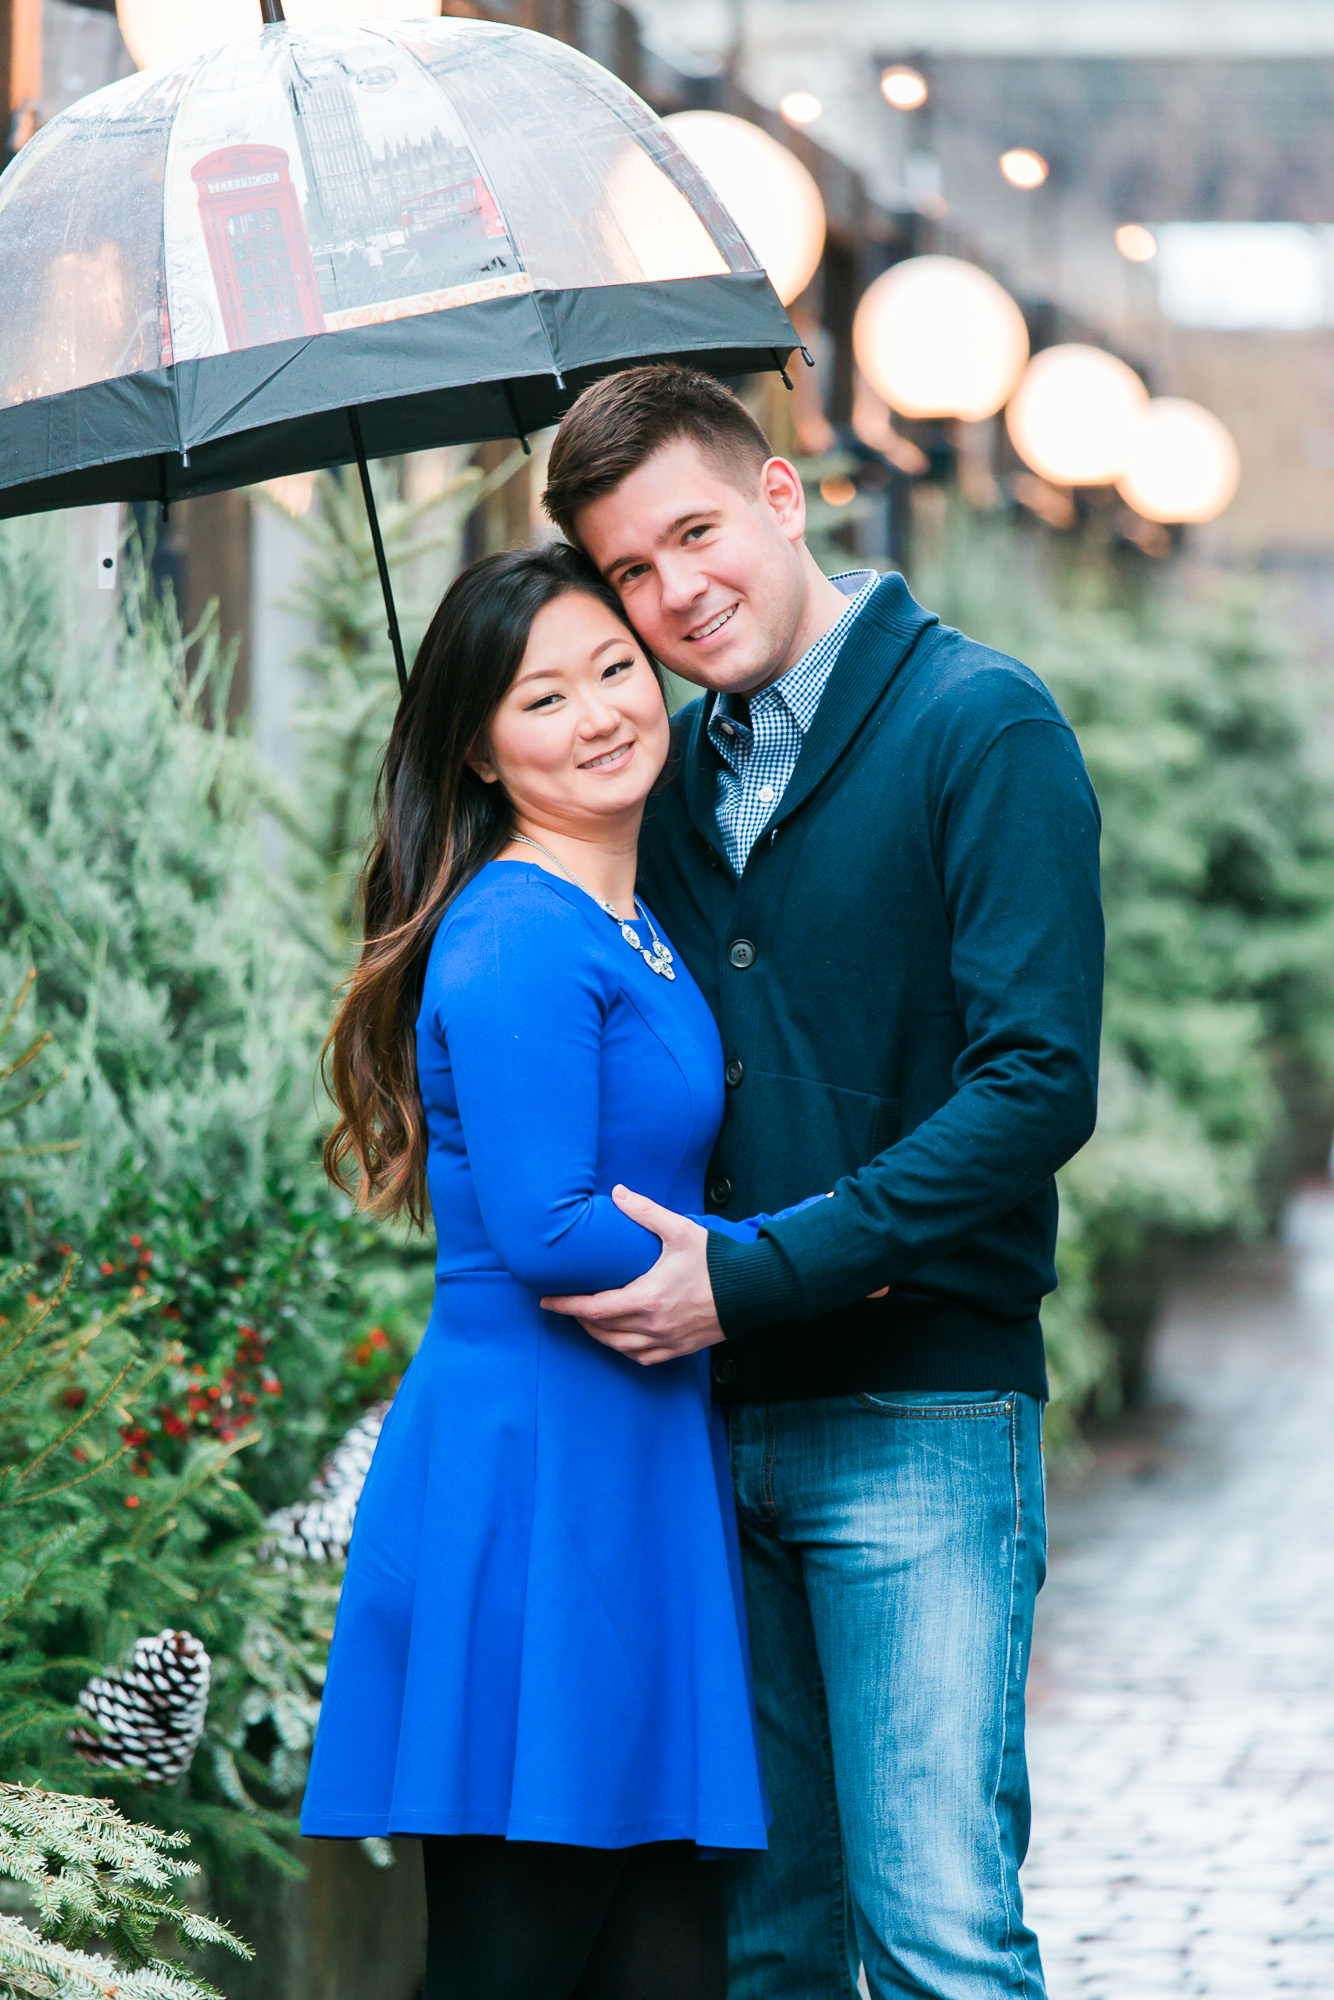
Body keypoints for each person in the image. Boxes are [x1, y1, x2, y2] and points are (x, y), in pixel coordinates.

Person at [537, 365, 1104, 2000]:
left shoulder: (975, 724)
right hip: (704, 1430)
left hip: (918, 1418)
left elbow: (1033, 1083)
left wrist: (758, 1270)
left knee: (932, 1931)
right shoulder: (666, 776)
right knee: (765, 1947)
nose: (673, 594)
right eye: (629, 573)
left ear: (783, 497)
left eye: (696, 534)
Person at [299, 543, 808, 2000]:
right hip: (538, 1471)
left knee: (657, 1957)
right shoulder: (520, 932)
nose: (599, 712)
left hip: (628, 1455)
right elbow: (547, 1224)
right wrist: (787, 1267)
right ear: (476, 745)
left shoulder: (630, 922)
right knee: (515, 1955)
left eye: (612, 668)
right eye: (542, 695)